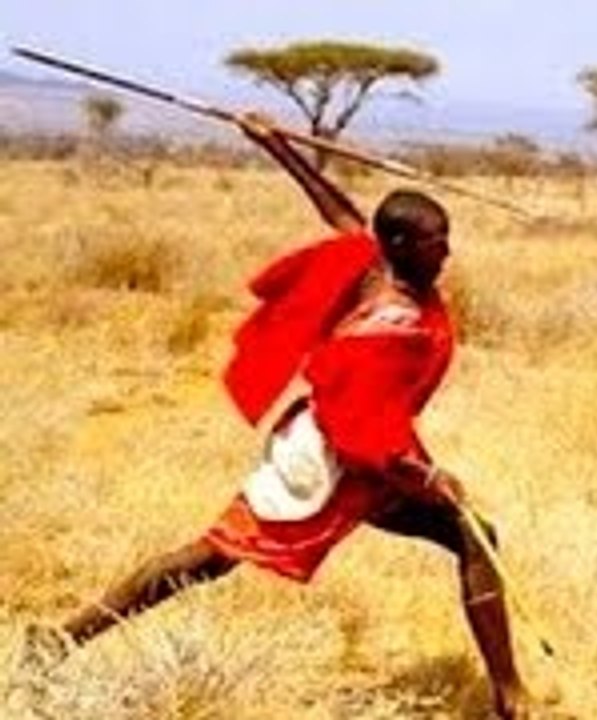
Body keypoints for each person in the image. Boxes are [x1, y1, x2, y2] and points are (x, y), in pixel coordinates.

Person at [21, 113, 532, 719]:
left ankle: (508, 694)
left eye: (445, 239)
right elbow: (360, 426)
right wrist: (426, 475)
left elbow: (340, 212)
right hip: (329, 461)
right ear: (397, 246)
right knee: (210, 559)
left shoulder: (374, 263)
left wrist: (275, 144)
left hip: (372, 456)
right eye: (433, 242)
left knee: (474, 534)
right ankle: (62, 639)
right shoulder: (383, 317)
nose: (445, 252)